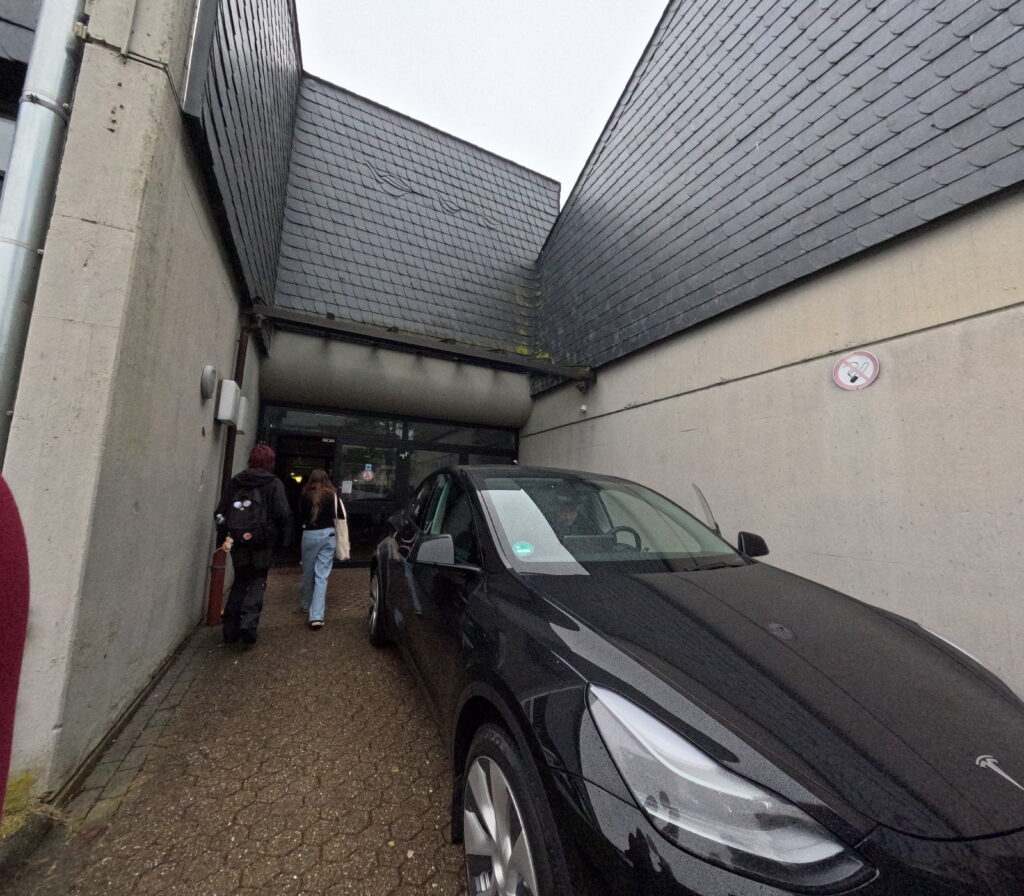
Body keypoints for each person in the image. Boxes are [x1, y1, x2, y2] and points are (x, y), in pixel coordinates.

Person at [215, 444, 292, 647]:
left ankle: (230, 628)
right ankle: (248, 624)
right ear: (271, 462)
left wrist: (223, 539)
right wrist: (282, 538)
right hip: (262, 540)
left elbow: (221, 511)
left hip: (238, 540)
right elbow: (283, 513)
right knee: (258, 580)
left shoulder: (237, 481)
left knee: (240, 580)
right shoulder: (273, 483)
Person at [297, 469, 340, 629]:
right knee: (322, 576)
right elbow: (340, 516)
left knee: (308, 573)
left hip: (309, 535)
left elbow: (300, 516)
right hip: (328, 535)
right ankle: (316, 616)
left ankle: (306, 604)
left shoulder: (305, 496)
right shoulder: (332, 496)